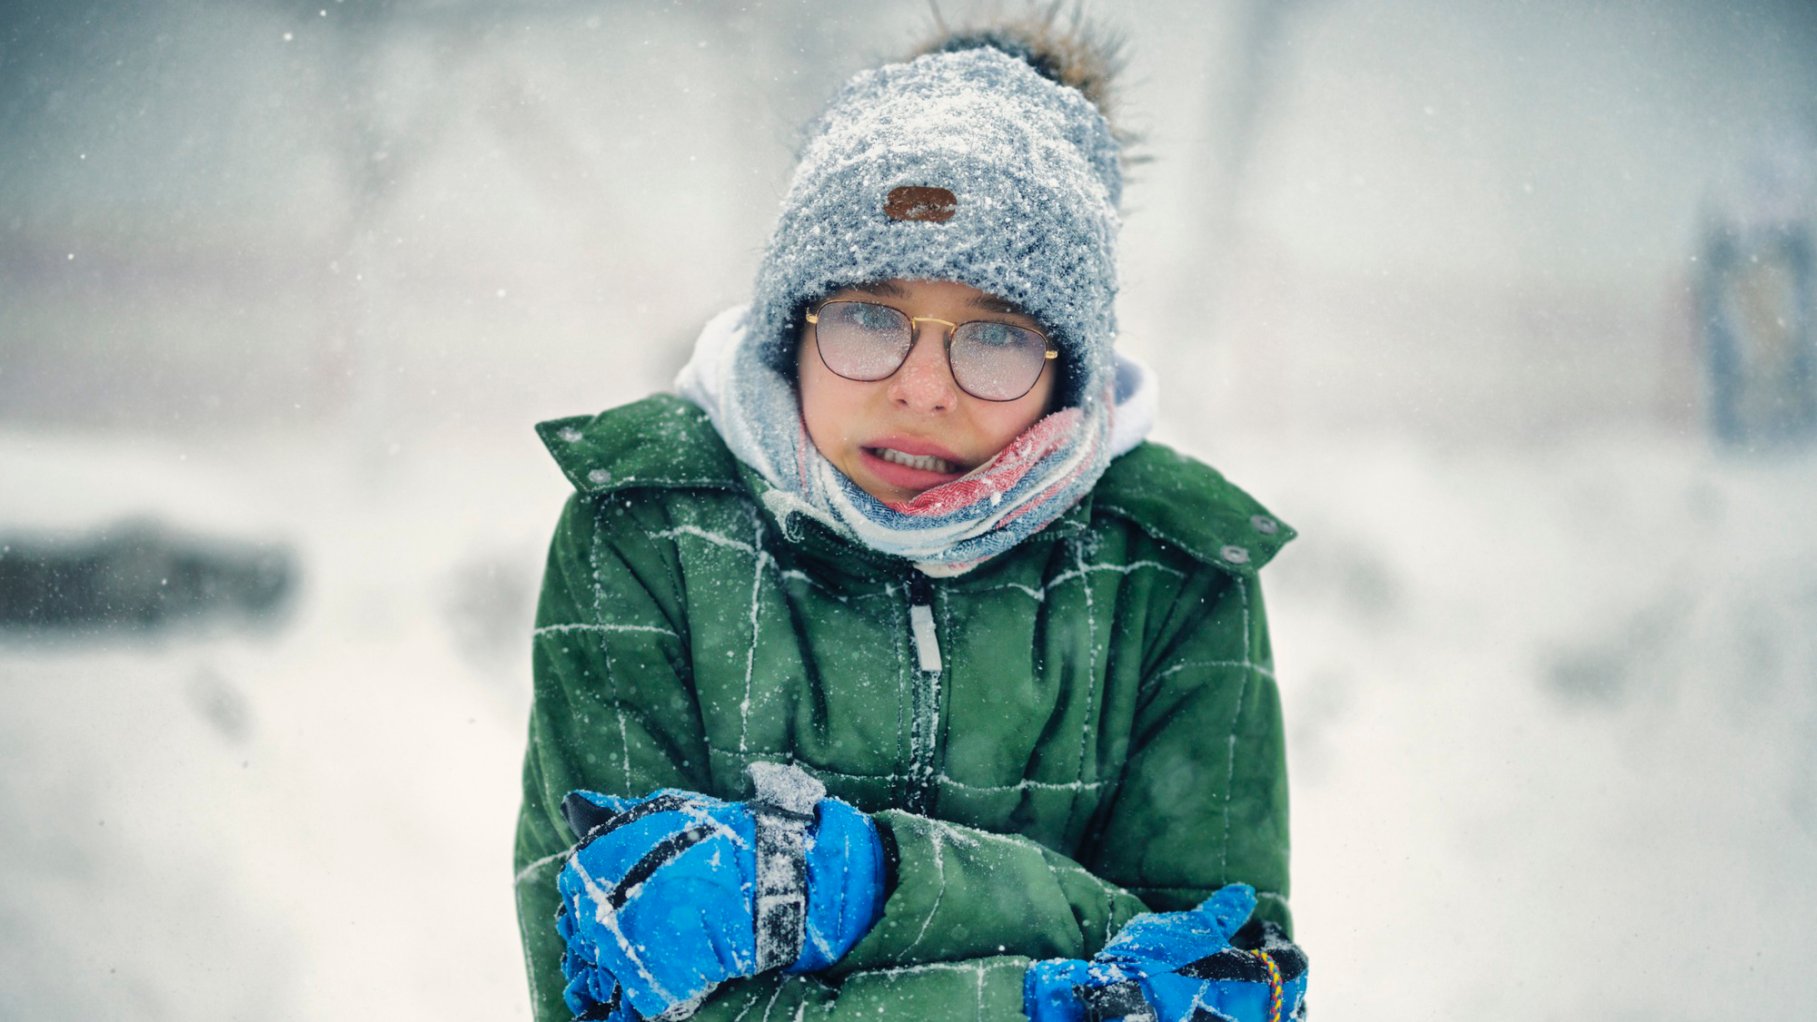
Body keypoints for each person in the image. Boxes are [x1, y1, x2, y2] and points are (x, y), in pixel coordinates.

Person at [513, 17, 1307, 1022]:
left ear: (1067, 369)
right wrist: (1045, 992)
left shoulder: (1172, 570)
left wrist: (856, 884)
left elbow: (1222, 982)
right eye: (870, 316)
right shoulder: (650, 532)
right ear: (790, 322)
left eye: (995, 333)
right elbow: (611, 997)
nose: (922, 386)